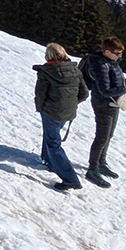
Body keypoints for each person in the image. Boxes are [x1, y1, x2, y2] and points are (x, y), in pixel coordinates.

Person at [79, 36, 126, 187]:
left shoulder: (111, 62)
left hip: (114, 103)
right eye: (117, 53)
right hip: (103, 103)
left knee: (109, 135)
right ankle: (92, 168)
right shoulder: (99, 65)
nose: (119, 56)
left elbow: (115, 80)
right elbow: (105, 90)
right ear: (107, 52)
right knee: (102, 137)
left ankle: (101, 162)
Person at [33, 42, 84, 191]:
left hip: (51, 111)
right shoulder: (74, 70)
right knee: (51, 136)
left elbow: (40, 94)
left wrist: (41, 108)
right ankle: (49, 161)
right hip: (68, 112)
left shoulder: (47, 71)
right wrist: (70, 103)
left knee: (53, 143)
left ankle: (70, 179)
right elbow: (84, 92)